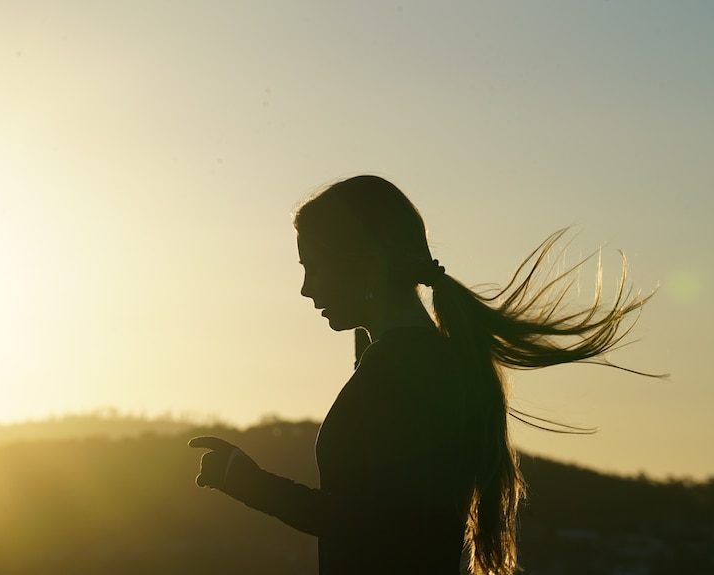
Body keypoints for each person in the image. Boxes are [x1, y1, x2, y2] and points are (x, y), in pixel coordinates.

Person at [189, 175, 656, 574]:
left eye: (314, 267)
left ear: (363, 265)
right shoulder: (414, 360)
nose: (307, 288)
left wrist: (244, 478)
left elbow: (363, 521)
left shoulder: (404, 369)